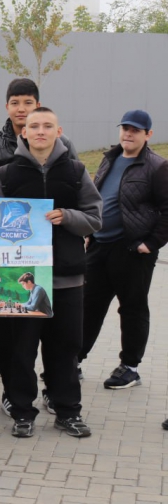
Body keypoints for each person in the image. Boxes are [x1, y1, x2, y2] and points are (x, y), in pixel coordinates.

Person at [0, 107, 102, 439]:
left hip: (67, 277)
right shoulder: (7, 174)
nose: (40, 131)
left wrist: (66, 216)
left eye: (47, 126)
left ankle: (68, 411)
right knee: (21, 350)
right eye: (33, 126)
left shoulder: (76, 171)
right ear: (23, 132)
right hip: (21, 280)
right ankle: (22, 412)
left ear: (58, 130)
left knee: (65, 348)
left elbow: (95, 218)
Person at [77, 110, 168, 392]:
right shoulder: (110, 158)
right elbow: (96, 198)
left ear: (148, 135)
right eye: (125, 128)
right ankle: (73, 360)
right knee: (87, 306)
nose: (128, 134)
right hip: (100, 246)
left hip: (132, 250)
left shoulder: (157, 166)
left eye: (135, 130)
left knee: (132, 309)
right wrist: (90, 232)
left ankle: (130, 367)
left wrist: (150, 244)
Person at [0, 78, 78, 197]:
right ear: (7, 107)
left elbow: (76, 184)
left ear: (37, 105)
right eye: (14, 103)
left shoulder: (61, 143)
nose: (21, 109)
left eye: (28, 103)